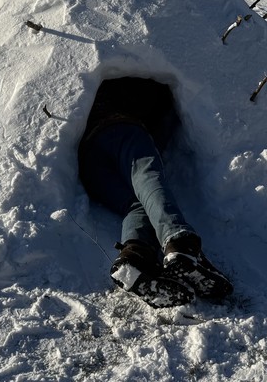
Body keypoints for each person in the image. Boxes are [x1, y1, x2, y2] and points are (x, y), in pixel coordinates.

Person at [77, 77, 233, 308]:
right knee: (149, 179)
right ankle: (180, 244)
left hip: (87, 159)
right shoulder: (150, 87)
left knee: (136, 205)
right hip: (125, 131)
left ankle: (135, 258)